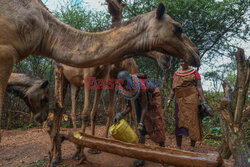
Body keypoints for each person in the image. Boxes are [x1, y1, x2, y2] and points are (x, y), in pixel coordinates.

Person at [114, 70, 166, 167]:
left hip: (152, 96)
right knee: (141, 129)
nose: (124, 85)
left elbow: (145, 106)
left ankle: (164, 157)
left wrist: (141, 124)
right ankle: (141, 157)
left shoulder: (140, 85)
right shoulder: (124, 88)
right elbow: (128, 107)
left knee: (156, 123)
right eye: (122, 84)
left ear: (129, 79)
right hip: (139, 98)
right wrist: (120, 114)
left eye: (125, 83)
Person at [166, 59, 213, 152]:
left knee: (193, 122)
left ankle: (192, 148)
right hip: (179, 100)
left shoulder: (194, 72)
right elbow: (173, 89)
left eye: (185, 61)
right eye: (181, 61)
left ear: (189, 62)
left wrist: (204, 102)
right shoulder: (176, 73)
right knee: (178, 123)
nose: (182, 63)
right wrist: (169, 100)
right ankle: (178, 147)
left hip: (192, 99)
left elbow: (199, 87)